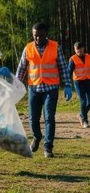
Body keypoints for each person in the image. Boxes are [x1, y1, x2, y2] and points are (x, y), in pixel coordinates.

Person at [15, 22, 72, 158]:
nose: (38, 39)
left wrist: (68, 85)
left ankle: (48, 147)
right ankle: (36, 136)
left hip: (50, 88)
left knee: (49, 118)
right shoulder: (28, 48)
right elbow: (22, 68)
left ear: (46, 34)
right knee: (33, 119)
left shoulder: (55, 47)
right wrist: (16, 84)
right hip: (34, 88)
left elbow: (63, 67)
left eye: (41, 36)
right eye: (35, 36)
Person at [68, 42, 89, 128]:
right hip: (78, 82)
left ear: (83, 48)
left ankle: (81, 114)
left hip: (88, 80)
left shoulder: (88, 57)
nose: (79, 52)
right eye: (77, 51)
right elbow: (69, 72)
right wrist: (67, 84)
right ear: (75, 50)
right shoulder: (72, 59)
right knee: (83, 100)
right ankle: (84, 120)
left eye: (81, 50)